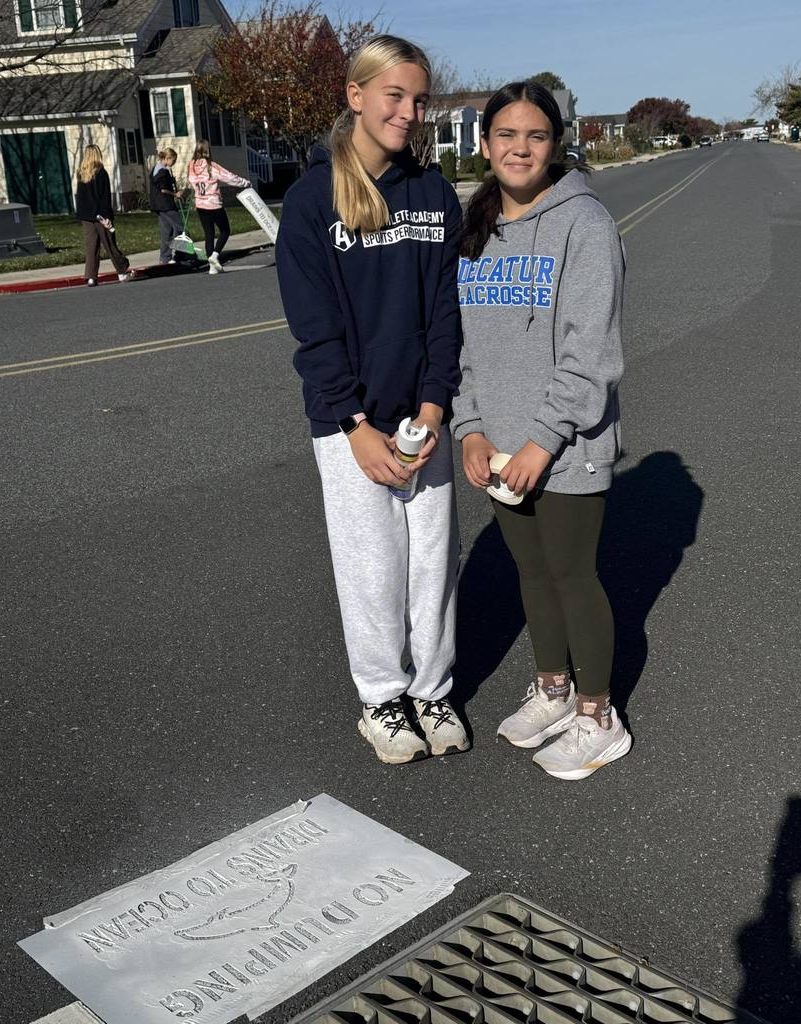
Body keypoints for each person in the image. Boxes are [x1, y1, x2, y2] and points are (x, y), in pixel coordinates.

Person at [275, 34, 469, 765]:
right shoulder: (308, 201)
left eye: (419, 99)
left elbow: (445, 312)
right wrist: (354, 425)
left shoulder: (433, 193)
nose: (410, 112)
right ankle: (382, 700)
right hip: (348, 422)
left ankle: (433, 690)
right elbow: (314, 332)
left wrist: (434, 405)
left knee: (431, 564)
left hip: (422, 414)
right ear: (355, 95)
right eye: (395, 95)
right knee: (372, 569)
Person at [452, 81, 631, 781]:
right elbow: (462, 346)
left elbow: (592, 353)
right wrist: (470, 429)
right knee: (530, 570)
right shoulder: (481, 224)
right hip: (497, 445)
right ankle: (552, 687)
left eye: (534, 136)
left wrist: (542, 440)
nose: (518, 148)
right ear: (485, 142)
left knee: (570, 573)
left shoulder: (584, 225)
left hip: (565, 444)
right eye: (505, 135)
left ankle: (596, 714)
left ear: (555, 145)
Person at [186, 140, 252, 275]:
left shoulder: (191, 166)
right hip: (214, 203)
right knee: (225, 231)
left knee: (208, 234)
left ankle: (212, 267)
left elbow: (192, 182)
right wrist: (245, 183)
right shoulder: (211, 166)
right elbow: (229, 177)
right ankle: (215, 255)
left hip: (200, 204)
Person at [75, 144, 130, 287]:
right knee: (110, 244)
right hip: (100, 216)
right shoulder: (101, 172)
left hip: (86, 217)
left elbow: (80, 197)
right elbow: (104, 197)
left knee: (91, 247)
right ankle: (122, 271)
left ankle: (91, 277)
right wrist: (107, 217)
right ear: (96, 154)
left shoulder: (81, 173)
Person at [150, 147, 183, 265]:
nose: (174, 163)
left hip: (158, 205)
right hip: (166, 204)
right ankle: (180, 254)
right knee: (179, 228)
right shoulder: (162, 172)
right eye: (173, 160)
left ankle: (165, 258)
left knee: (166, 231)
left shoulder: (155, 169)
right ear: (167, 158)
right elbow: (163, 189)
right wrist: (176, 194)